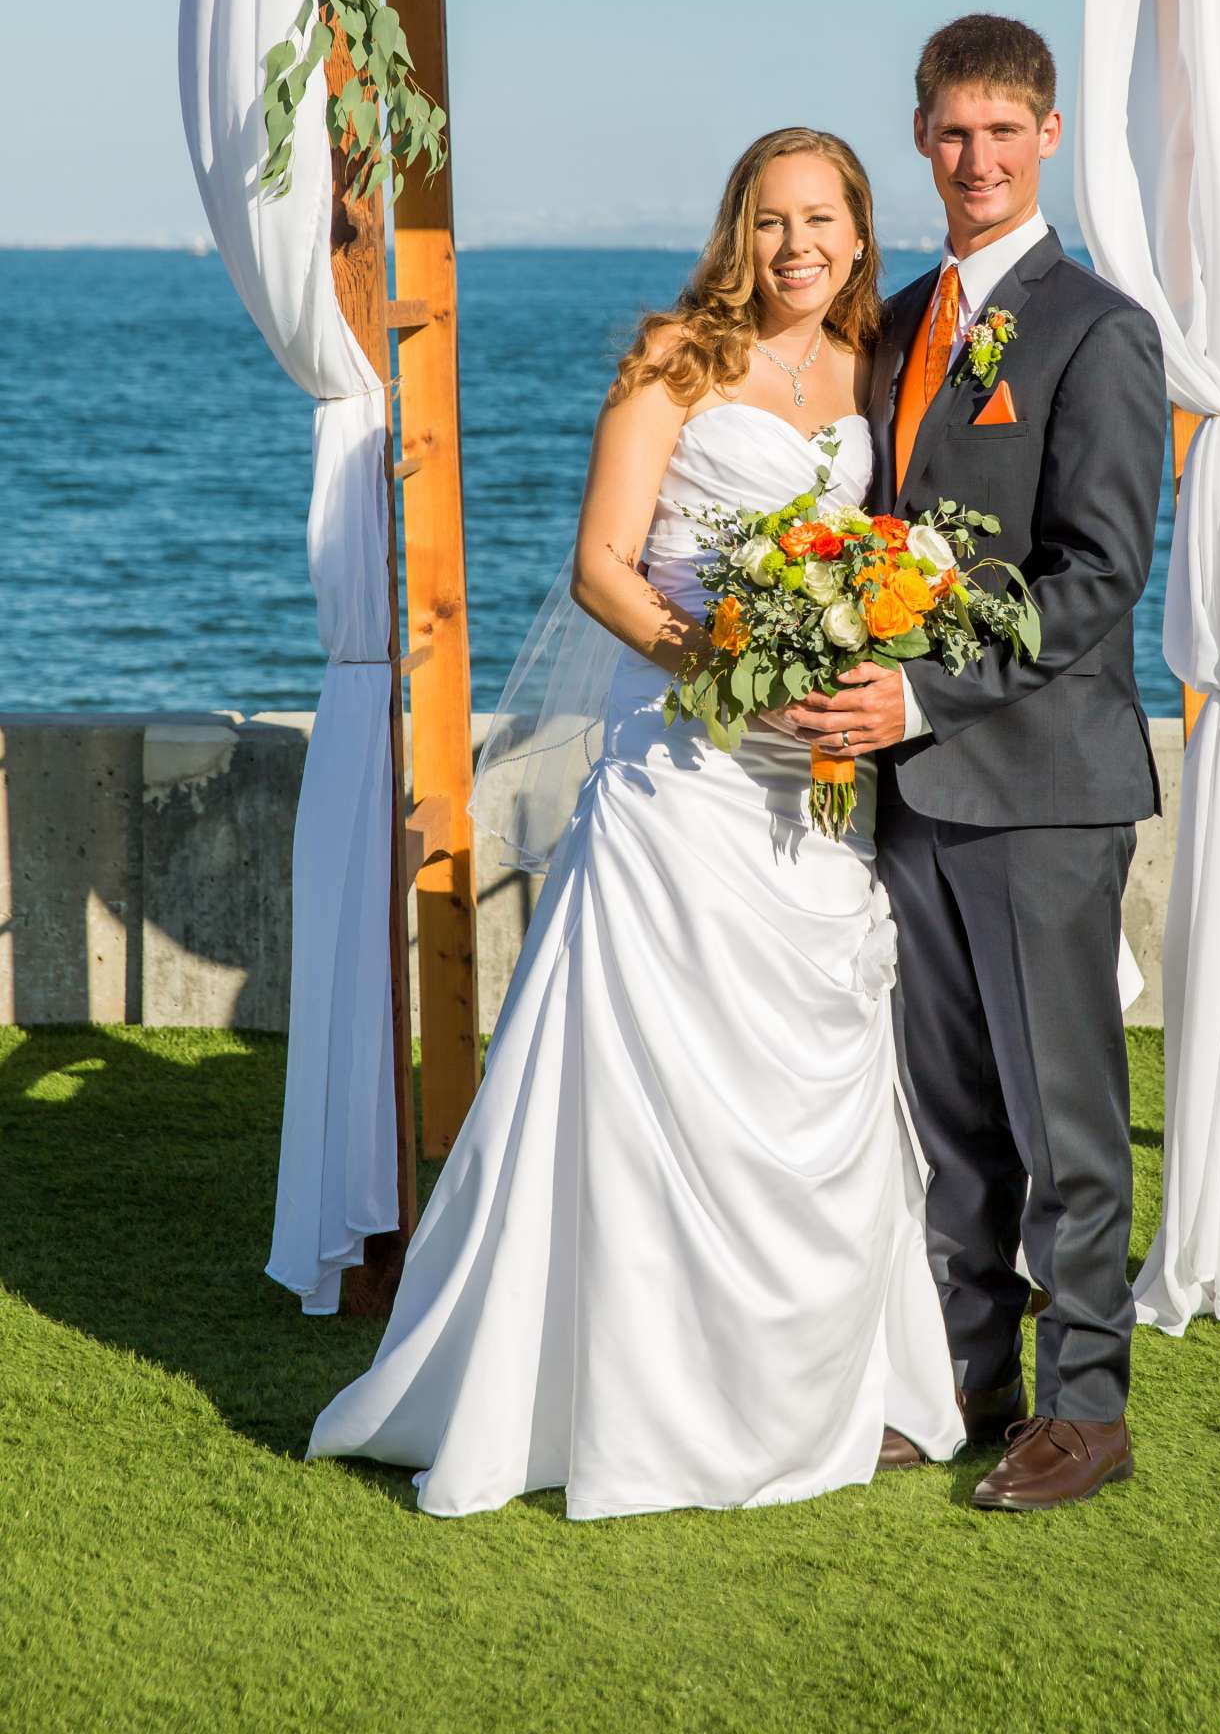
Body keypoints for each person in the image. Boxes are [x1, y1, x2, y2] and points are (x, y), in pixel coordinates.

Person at [306, 128, 965, 1520]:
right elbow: (602, 570)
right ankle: (630, 1396)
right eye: (771, 219)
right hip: (687, 786)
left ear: (859, 232)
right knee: (653, 1098)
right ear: (741, 230)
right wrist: (729, 666)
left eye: (822, 219)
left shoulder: (880, 371)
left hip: (816, 798)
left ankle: (814, 1389)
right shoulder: (675, 358)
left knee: (818, 1081)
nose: (797, 245)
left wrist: (845, 666)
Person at [784, 15, 1167, 1511]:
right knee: (948, 1114)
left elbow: (1098, 575)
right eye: (951, 132)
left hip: (1040, 786)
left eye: (1003, 131)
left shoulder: (1097, 329)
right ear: (921, 138)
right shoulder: (890, 319)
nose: (977, 158)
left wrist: (924, 697)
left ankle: (1089, 1407)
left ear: (1047, 136)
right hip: (911, 796)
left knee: (1062, 1114)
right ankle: (965, 1380)